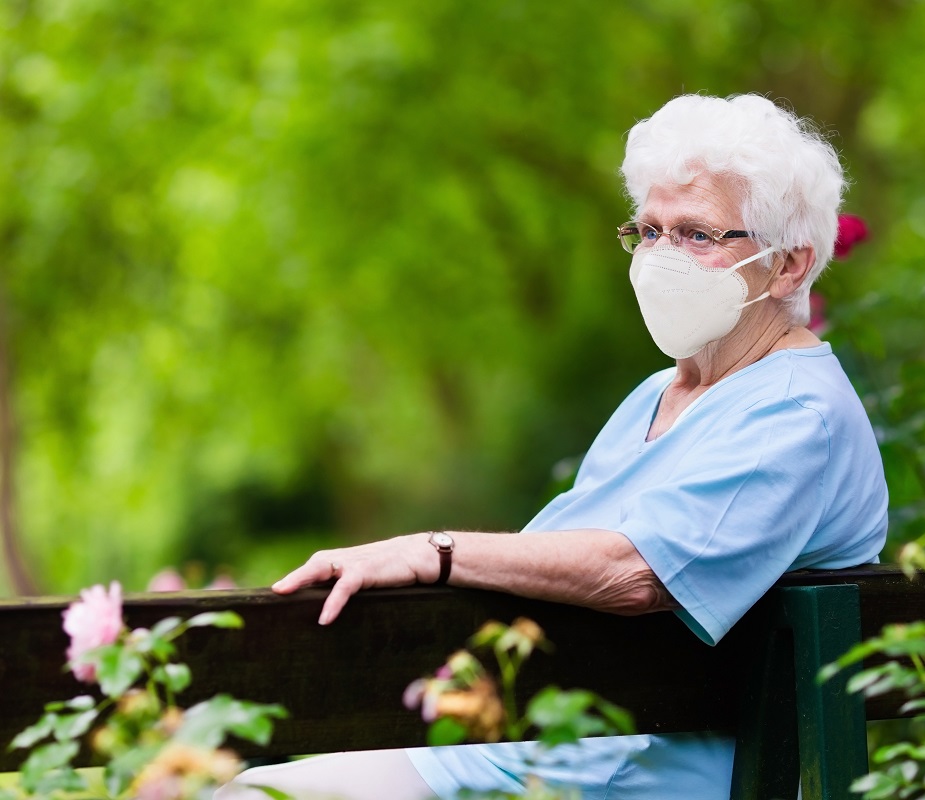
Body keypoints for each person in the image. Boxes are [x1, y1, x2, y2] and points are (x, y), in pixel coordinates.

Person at [216, 92, 888, 800]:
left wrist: (432, 551)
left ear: (788, 266)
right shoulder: (663, 393)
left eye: (696, 235)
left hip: (620, 776)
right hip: (530, 750)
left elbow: (638, 572)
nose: (661, 257)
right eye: (650, 231)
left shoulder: (795, 414)